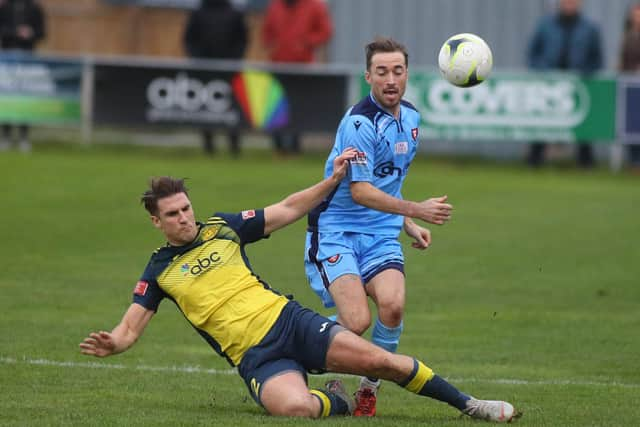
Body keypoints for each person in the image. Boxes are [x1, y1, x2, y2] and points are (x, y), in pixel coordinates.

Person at [79, 167, 519, 422]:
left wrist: (333, 180)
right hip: (257, 357)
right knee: (295, 409)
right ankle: (338, 400)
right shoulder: (159, 271)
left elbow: (288, 208)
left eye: (186, 208)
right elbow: (130, 328)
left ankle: (469, 404)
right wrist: (113, 344)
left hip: (290, 321)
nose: (183, 218)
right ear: (157, 222)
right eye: (172, 215)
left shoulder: (223, 228)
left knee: (380, 362)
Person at [303, 37, 454, 416]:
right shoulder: (359, 123)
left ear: (407, 75)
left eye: (398, 71)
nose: (390, 79)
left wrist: (405, 221)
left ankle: (370, 386)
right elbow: (361, 191)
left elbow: (389, 182)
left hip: (381, 232)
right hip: (336, 228)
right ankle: (306, 348)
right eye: (382, 71)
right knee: (355, 321)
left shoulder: (413, 119)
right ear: (368, 76)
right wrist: (416, 210)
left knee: (393, 306)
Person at [526, 0, 603, 168]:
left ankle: (586, 162)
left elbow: (597, 60)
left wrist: (583, 73)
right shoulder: (545, 25)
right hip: (548, 85)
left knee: (583, 122)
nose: (570, 4)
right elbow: (532, 54)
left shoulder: (590, 28)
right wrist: (544, 71)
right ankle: (534, 160)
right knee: (542, 121)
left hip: (579, 85)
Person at [261, 0, 333, 154]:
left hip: (302, 67)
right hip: (278, 65)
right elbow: (267, 32)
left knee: (297, 107)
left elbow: (325, 31)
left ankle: (295, 147)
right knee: (275, 105)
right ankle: (278, 147)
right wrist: (271, 46)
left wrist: (306, 42)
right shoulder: (275, 5)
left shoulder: (314, 5)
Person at [183, 0, 247, 157]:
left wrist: (233, 60)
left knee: (231, 108)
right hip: (204, 71)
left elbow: (242, 39)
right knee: (205, 107)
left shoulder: (234, 13)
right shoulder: (199, 13)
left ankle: (234, 146)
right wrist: (199, 60)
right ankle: (208, 146)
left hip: (229, 71)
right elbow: (189, 39)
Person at [0, 0, 45, 152]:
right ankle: (5, 136)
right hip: (7, 59)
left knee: (26, 98)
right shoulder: (5, 7)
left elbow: (42, 33)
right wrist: (15, 32)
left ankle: (24, 137)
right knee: (5, 97)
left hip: (28, 60)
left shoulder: (35, 8)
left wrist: (31, 33)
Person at [619, 2, 640, 170]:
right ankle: (634, 162)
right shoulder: (627, 36)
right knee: (632, 125)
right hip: (632, 86)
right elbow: (622, 61)